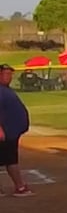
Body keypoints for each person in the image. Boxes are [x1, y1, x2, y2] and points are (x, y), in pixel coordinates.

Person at [0, 64, 32, 196]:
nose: (9, 77)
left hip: (10, 132)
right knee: (11, 160)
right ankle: (20, 187)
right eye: (6, 74)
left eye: (10, 74)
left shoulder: (5, 89)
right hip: (5, 133)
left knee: (9, 159)